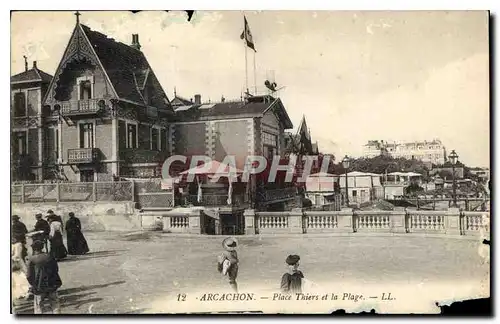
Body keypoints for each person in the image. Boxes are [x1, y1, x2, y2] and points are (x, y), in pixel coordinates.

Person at [26, 240, 62, 314]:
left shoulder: (32, 259)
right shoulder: (49, 256)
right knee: (55, 304)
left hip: (39, 287)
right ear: (42, 247)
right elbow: (56, 269)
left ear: (34, 249)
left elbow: (29, 276)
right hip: (51, 284)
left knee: (39, 306)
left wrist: (33, 284)